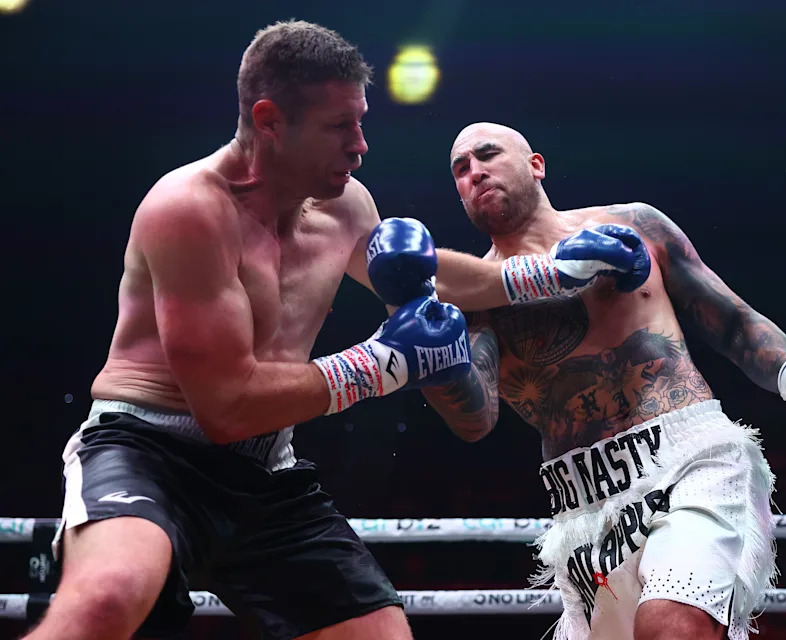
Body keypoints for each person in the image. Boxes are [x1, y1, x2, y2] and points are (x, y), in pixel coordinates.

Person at [26, 24, 650, 640]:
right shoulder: (189, 210)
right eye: (339, 127)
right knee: (108, 598)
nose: (361, 146)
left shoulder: (348, 206)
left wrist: (554, 270)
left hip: (266, 471)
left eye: (361, 122)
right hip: (149, 451)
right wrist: (383, 364)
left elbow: (432, 276)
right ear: (270, 120)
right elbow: (223, 406)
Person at [422, 122, 786, 640]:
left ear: (536, 164)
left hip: (691, 458)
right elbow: (475, 416)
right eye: (460, 170)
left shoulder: (635, 224)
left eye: (487, 155)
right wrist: (432, 363)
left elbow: (732, 322)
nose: (474, 172)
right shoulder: (474, 305)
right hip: (584, 504)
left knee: (673, 627)